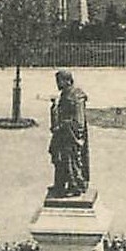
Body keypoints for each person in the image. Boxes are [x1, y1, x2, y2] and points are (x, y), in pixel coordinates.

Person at [48, 69, 89, 197]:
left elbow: (79, 120)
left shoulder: (76, 96)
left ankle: (75, 185)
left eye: (59, 81)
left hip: (70, 135)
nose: (57, 84)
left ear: (68, 81)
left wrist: (64, 127)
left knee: (71, 161)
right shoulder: (65, 94)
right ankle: (60, 185)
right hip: (62, 134)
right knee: (59, 159)